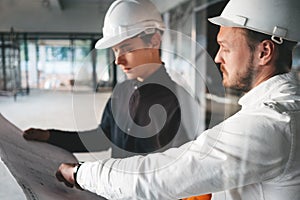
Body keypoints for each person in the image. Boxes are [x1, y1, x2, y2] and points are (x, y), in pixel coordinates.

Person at [55, 0, 300, 199]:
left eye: (225, 47)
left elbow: (162, 176)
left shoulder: (270, 123)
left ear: (264, 52)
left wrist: (81, 173)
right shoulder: (266, 113)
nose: (216, 58)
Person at [24, 0, 210, 199]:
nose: (118, 60)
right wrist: (51, 137)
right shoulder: (121, 90)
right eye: (115, 50)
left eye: (127, 49)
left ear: (154, 41)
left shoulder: (179, 103)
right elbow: (103, 137)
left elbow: (189, 177)